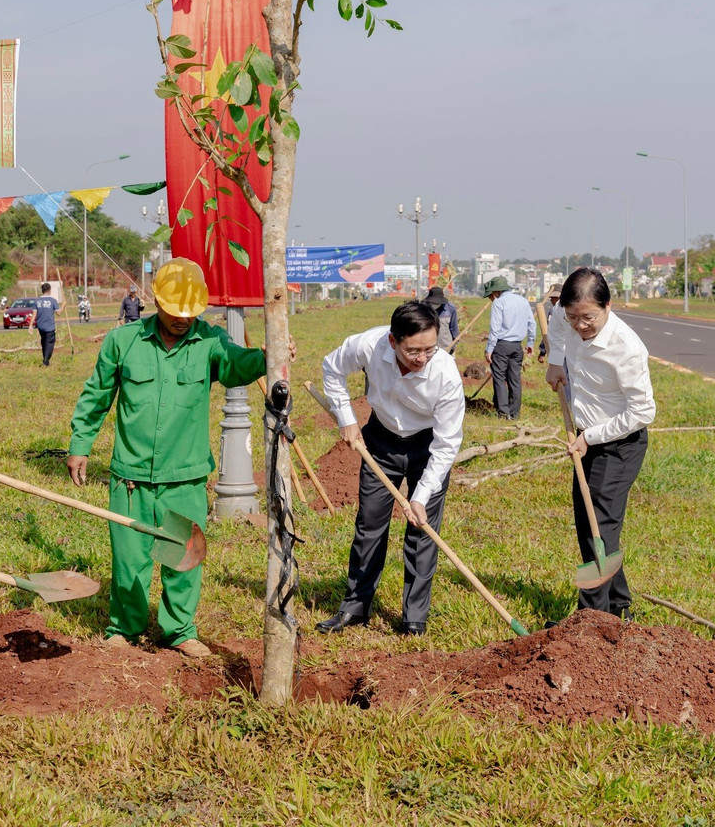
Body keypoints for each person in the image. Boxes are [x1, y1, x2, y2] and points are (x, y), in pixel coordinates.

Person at [67, 258, 270, 659]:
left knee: (183, 558)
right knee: (130, 560)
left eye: (190, 313)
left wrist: (266, 355)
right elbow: (96, 395)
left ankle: (178, 630)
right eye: (175, 312)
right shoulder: (122, 342)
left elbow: (235, 365)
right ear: (155, 301)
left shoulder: (210, 341)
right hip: (131, 477)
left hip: (185, 477)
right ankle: (124, 627)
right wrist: (80, 444)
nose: (182, 319)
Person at [315, 301, 465, 636]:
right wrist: (347, 420)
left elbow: (446, 445)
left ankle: (414, 618)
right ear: (393, 341)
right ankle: (355, 607)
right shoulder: (369, 344)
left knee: (421, 531)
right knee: (369, 525)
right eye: (413, 350)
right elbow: (331, 367)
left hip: (427, 447)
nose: (422, 358)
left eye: (430, 349)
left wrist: (421, 497)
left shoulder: (445, 374)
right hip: (380, 440)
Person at [545, 267, 656, 621]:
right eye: (573, 316)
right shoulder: (568, 319)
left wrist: (588, 437)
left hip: (619, 444)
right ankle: (618, 604)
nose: (580, 325)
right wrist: (553, 363)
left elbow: (643, 412)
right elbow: (558, 329)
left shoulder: (627, 348)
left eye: (588, 318)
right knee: (587, 520)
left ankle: (591, 620)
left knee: (599, 528)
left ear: (608, 306)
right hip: (586, 436)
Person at [482, 275, 535, 420]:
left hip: (501, 346)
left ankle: (504, 413)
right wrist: (530, 343)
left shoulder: (499, 303)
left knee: (499, 378)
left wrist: (489, 349)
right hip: (517, 346)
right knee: (515, 379)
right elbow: (532, 324)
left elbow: (495, 328)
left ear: (496, 292)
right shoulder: (523, 301)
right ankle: (515, 413)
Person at [29, 282, 60, 367]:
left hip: (40, 326)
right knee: (49, 343)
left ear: (42, 291)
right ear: (50, 290)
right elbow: (59, 313)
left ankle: (45, 360)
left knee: (44, 342)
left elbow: (34, 314)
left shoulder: (37, 301)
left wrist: (30, 325)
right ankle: (45, 361)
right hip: (50, 326)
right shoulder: (53, 301)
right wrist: (64, 305)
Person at [422, 286, 459, 351]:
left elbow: (454, 328)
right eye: (433, 302)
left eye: (436, 303)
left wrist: (454, 344)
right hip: (427, 349)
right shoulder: (423, 308)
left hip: (446, 347)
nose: (434, 304)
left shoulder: (450, 309)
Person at [538, 283, 562, 362]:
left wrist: (542, 351)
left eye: (553, 297)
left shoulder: (554, 310)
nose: (551, 300)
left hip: (557, 348)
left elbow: (548, 331)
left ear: (558, 297)